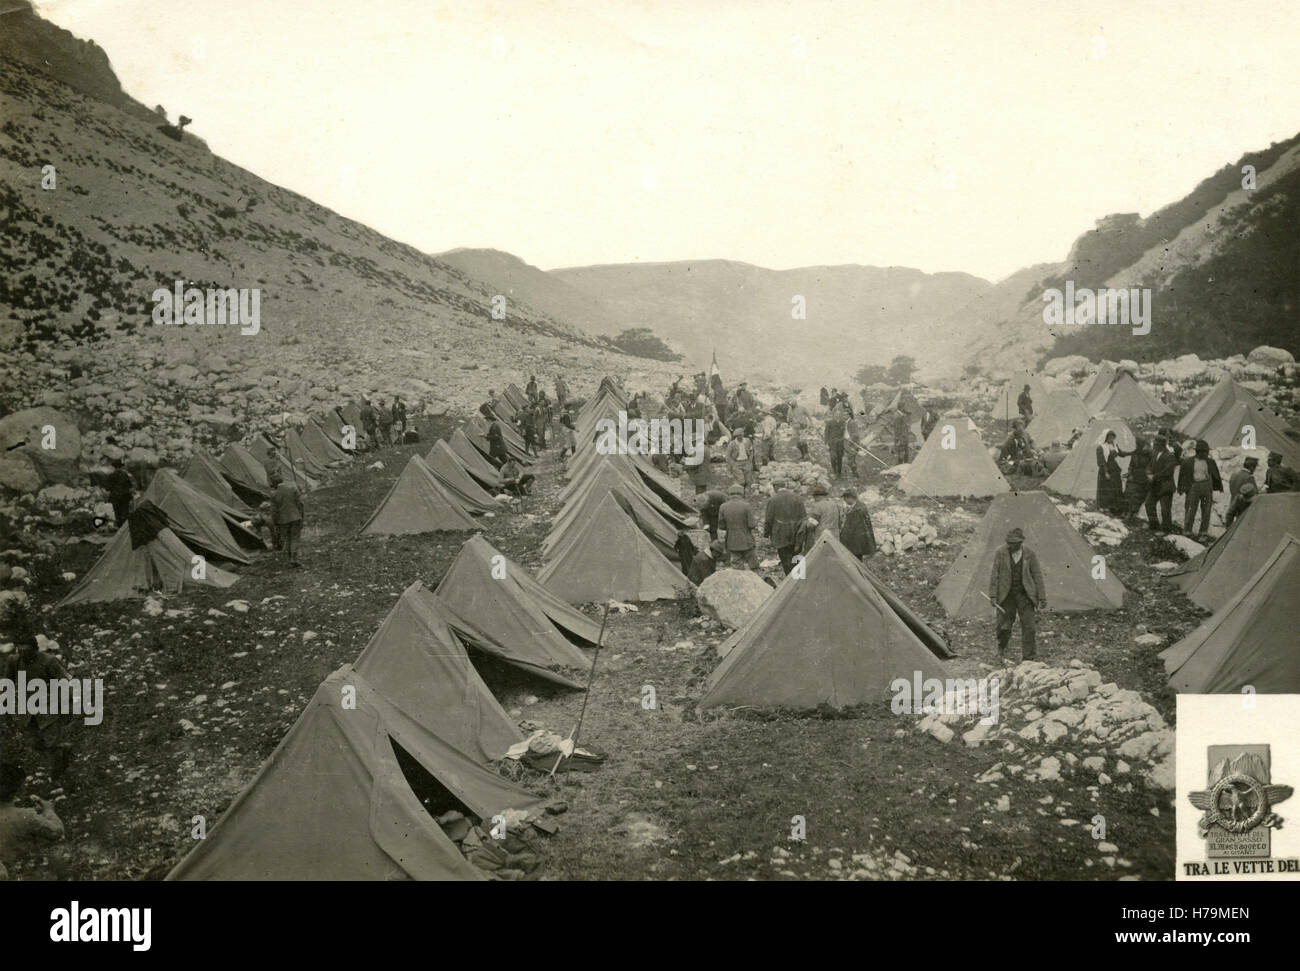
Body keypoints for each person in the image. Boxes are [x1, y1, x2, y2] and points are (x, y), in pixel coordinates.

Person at [1, 636, 76, 778]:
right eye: (20, 650)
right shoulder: (14, 661)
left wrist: (66, 707)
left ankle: (57, 777)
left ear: (35, 649)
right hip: (28, 711)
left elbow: (64, 685)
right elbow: (7, 685)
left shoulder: (49, 661)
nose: (23, 654)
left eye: (27, 650)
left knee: (51, 742)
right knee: (34, 743)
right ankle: (63, 751)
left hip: (50, 709)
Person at [0, 761, 65, 881]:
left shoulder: (23, 815)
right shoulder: (26, 816)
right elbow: (56, 831)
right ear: (18, 789)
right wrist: (49, 810)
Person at [989, 527, 1046, 661]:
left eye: (1013, 543)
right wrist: (993, 595)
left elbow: (1037, 576)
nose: (1009, 545)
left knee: (1029, 627)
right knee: (1003, 626)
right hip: (1006, 595)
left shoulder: (1030, 554)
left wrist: (1042, 597)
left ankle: (1029, 658)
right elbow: (994, 574)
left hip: (1025, 595)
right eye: (1008, 542)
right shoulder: (1000, 552)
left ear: (1020, 542)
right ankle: (1001, 649)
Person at [1178, 439, 1222, 540]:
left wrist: (1217, 487)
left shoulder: (1210, 462)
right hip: (1193, 487)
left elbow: (1216, 475)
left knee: (1206, 510)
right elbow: (1182, 476)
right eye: (1205, 452)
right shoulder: (1188, 462)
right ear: (1198, 452)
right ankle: (1187, 531)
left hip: (1207, 487)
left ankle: (1203, 533)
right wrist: (1181, 488)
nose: (1206, 454)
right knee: (1190, 509)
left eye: (1207, 452)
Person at [764, 479, 806, 575]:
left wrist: (766, 534)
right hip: (796, 533)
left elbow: (768, 520)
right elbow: (804, 517)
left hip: (780, 535)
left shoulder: (773, 500)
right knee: (796, 557)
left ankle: (790, 581)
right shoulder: (797, 498)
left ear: (776, 487)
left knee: (785, 559)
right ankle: (799, 578)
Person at [268, 470, 304, 567]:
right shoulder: (292, 488)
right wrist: (301, 515)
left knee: (287, 539)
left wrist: (275, 522)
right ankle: (294, 558)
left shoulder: (273, 494)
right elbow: (300, 504)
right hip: (295, 517)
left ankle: (289, 559)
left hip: (283, 521)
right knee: (295, 538)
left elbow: (274, 511)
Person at [719, 484, 759, 569]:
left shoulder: (723, 506)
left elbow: (721, 526)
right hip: (747, 540)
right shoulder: (746, 506)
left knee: (737, 566)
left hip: (732, 541)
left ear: (730, 493)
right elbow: (752, 525)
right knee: (753, 565)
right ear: (741, 494)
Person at [1145, 433, 1177, 532]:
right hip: (1155, 486)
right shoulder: (1155, 453)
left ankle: (1166, 529)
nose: (1154, 446)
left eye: (1156, 444)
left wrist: (1154, 477)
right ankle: (1154, 525)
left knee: (1165, 509)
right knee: (1149, 504)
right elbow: (1149, 465)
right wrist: (1149, 473)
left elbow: (1167, 472)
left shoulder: (1170, 456)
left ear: (1162, 445)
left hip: (1166, 486)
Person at [1095, 429, 1128, 515]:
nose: (1111, 439)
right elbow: (1101, 461)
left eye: (1113, 438)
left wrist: (1132, 453)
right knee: (1106, 488)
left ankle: (1114, 507)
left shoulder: (1114, 446)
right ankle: (1105, 507)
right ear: (1105, 437)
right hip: (1105, 469)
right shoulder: (1101, 447)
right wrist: (1106, 472)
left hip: (1114, 469)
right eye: (1110, 437)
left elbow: (1121, 454)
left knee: (1116, 487)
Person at [840, 489, 877, 560]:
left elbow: (852, 527)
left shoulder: (857, 510)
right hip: (858, 542)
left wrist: (843, 538)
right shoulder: (860, 506)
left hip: (856, 542)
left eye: (845, 498)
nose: (844, 500)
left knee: (855, 560)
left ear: (850, 497)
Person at [1123, 437, 1153, 522]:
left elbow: (1150, 467)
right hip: (1134, 477)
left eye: (1138, 444)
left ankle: (1133, 513)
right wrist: (1129, 473)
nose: (1137, 446)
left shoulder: (1149, 454)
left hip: (1143, 478)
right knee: (1128, 494)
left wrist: (1148, 475)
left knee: (1138, 497)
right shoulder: (1135, 453)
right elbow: (1131, 465)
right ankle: (1127, 512)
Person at [103, 458, 134, 526]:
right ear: (121, 466)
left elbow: (107, 488)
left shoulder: (111, 475)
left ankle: (119, 526)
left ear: (114, 467)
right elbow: (130, 486)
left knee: (117, 512)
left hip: (115, 497)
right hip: (125, 496)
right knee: (125, 512)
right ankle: (125, 528)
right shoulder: (125, 475)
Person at [726, 429, 756, 494]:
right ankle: (739, 493)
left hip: (746, 462)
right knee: (740, 480)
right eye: (738, 436)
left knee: (748, 480)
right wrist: (732, 463)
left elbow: (751, 451)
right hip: (737, 463)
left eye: (741, 435)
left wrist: (750, 460)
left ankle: (746, 493)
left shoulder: (747, 441)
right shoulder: (732, 444)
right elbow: (728, 455)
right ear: (736, 436)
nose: (740, 437)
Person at [825, 408, 847, 478]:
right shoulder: (829, 423)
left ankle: (839, 473)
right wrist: (826, 443)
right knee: (833, 458)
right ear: (833, 414)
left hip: (840, 443)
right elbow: (826, 433)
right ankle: (834, 472)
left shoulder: (843, 422)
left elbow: (845, 433)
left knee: (840, 458)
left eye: (839, 414)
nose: (837, 415)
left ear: (840, 415)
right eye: (836, 414)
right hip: (832, 443)